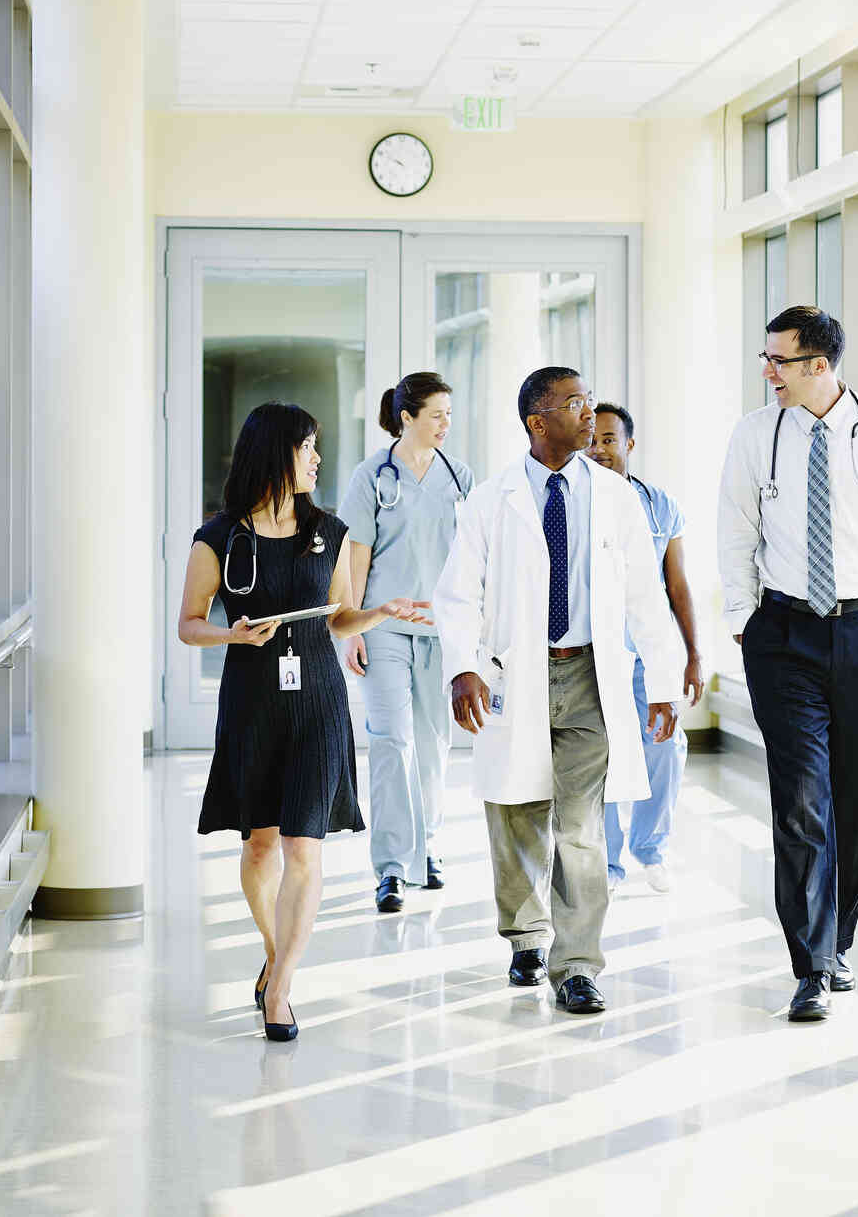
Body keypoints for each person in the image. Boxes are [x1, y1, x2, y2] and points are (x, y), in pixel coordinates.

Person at [433, 366, 684, 1014]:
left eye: (590, 400)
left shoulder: (614, 496)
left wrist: (661, 679)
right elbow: (458, 593)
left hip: (588, 673)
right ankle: (525, 933)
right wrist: (462, 666)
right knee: (515, 814)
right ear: (536, 421)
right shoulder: (490, 500)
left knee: (580, 827)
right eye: (574, 403)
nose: (588, 414)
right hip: (514, 673)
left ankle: (575, 964)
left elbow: (644, 595)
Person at [178, 402, 431, 1042]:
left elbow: (338, 616)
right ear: (275, 453)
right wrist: (228, 636)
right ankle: (273, 950)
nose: (318, 459)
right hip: (251, 701)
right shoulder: (219, 538)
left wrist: (380, 613)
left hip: (318, 700)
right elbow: (188, 624)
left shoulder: (331, 530)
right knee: (260, 844)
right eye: (308, 447)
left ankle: (282, 986)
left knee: (303, 847)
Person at [718, 306, 858, 1024]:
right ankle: (809, 966)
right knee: (801, 798)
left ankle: (838, 942)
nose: (768, 371)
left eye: (780, 360)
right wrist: (744, 622)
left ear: (820, 365)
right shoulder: (756, 434)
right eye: (765, 358)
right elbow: (735, 531)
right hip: (783, 635)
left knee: (857, 798)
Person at [336, 372, 473, 914]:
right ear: (407, 417)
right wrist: (352, 626)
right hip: (384, 629)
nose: (446, 424)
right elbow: (356, 557)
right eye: (436, 414)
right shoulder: (371, 476)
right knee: (393, 742)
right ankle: (392, 867)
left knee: (434, 746)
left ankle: (429, 847)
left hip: (441, 631)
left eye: (449, 414)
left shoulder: (459, 477)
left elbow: (468, 560)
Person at [587, 402, 705, 893]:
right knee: (606, 753)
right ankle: (610, 863)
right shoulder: (575, 501)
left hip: (649, 650)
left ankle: (649, 847)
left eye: (609, 439)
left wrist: (693, 654)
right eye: (592, 439)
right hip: (594, 649)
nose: (599, 449)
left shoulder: (660, 506)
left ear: (629, 445)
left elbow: (676, 585)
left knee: (667, 744)